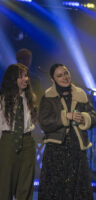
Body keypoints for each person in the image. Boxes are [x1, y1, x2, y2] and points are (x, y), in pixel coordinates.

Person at [38, 64, 96, 200]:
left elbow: (94, 117)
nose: (64, 77)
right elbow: (44, 122)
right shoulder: (48, 96)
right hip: (56, 150)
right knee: (56, 190)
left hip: (77, 149)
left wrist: (84, 118)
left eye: (66, 73)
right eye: (59, 75)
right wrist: (65, 116)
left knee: (78, 189)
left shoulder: (81, 94)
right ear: (53, 79)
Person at [0, 63, 37, 200]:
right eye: (20, 77)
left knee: (26, 186)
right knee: (5, 185)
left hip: (27, 141)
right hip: (8, 140)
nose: (25, 79)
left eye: (26, 76)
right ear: (12, 79)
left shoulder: (30, 97)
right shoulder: (2, 99)